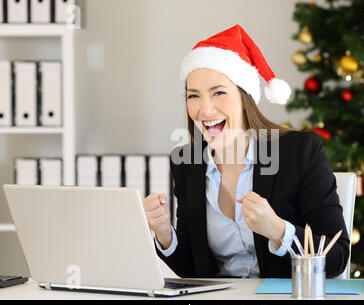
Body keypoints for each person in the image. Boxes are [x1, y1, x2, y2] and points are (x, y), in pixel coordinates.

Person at [143, 24, 349, 279]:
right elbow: (193, 271)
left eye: (218, 93)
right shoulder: (186, 163)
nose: (204, 110)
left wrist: (278, 230)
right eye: (193, 96)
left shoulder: (299, 152)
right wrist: (165, 234)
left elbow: (337, 257)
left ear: (245, 97)